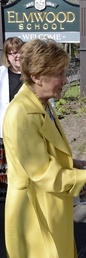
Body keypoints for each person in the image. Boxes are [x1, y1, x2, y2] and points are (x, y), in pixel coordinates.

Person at [2, 38, 86, 258]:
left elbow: (43, 152)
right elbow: (42, 173)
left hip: (50, 207)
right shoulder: (21, 114)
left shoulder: (42, 104)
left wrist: (71, 164)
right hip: (33, 215)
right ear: (37, 76)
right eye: (60, 73)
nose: (65, 80)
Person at [0, 37, 24, 200]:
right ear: (7, 56)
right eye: (12, 53)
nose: (16, 56)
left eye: (19, 52)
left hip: (26, 131)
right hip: (3, 130)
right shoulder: (0, 74)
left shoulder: (33, 75)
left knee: (22, 168)